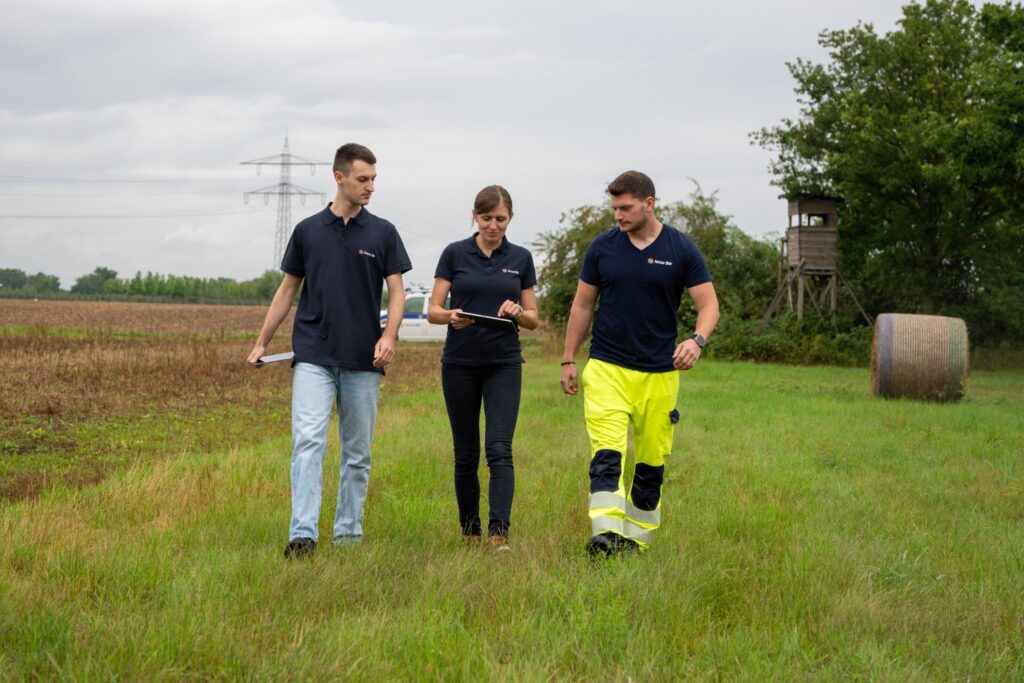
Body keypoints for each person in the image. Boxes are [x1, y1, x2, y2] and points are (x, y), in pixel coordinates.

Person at [247, 143, 411, 558]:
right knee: (308, 443)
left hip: (363, 359)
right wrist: (263, 340)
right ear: (339, 178)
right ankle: (302, 536)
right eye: (363, 179)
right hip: (313, 357)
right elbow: (287, 290)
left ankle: (348, 537)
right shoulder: (308, 231)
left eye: (373, 179)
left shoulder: (383, 233)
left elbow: (397, 292)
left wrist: (389, 336)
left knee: (357, 454)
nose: (370, 186)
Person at [559, 170, 719, 557]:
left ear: (649, 203)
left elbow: (709, 305)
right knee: (607, 455)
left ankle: (637, 541)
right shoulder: (602, 248)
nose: (618, 215)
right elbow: (582, 305)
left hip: (659, 374)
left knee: (650, 462)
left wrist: (696, 340)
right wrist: (568, 358)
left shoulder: (681, 249)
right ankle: (606, 534)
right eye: (614, 208)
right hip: (607, 368)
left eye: (626, 208)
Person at [427, 185, 539, 551]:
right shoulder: (454, 253)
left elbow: (533, 319)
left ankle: (498, 533)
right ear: (475, 216)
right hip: (459, 363)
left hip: (503, 363)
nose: (493, 226)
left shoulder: (521, 258)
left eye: (500, 219)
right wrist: (450, 316)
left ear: (511, 218)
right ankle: (470, 531)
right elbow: (433, 310)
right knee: (465, 453)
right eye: (486, 218)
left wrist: (518, 312)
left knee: (499, 448)